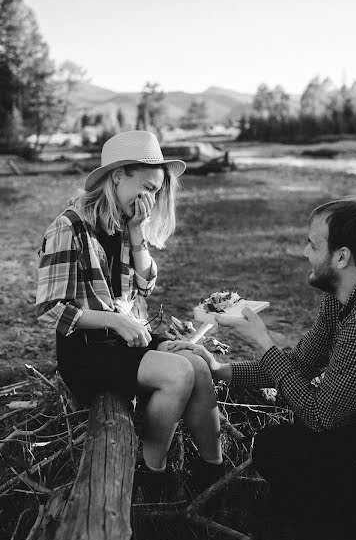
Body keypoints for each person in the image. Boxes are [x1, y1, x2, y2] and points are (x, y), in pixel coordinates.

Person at [166, 196, 356, 540]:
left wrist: (264, 343)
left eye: (313, 245)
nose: (304, 252)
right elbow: (300, 361)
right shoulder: (344, 297)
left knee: (286, 448)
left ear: (341, 257)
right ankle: (330, 533)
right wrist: (222, 370)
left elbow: (320, 415)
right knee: (281, 446)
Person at [36, 130, 224, 497]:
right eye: (147, 187)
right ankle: (152, 473)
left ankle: (212, 472)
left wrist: (137, 232)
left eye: (156, 191)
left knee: (199, 366)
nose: (151, 199)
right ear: (117, 175)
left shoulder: (124, 223)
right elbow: (50, 310)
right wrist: (115, 320)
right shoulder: (68, 227)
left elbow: (145, 284)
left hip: (125, 339)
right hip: (87, 351)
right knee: (178, 374)